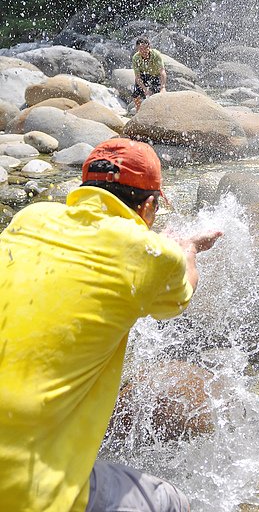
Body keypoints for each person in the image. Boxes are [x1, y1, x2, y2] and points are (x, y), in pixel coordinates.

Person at [0, 137, 222, 512]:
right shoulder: (156, 254)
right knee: (171, 502)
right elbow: (180, 296)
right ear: (149, 206)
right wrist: (187, 249)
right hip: (23, 492)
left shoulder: (29, 219)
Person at [132, 36, 167, 112]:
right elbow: (137, 77)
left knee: (158, 95)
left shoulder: (156, 55)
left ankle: (158, 112)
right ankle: (138, 113)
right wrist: (145, 89)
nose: (144, 51)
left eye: (145, 48)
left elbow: (162, 71)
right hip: (143, 75)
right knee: (136, 96)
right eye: (141, 49)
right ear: (137, 49)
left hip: (155, 75)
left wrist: (163, 87)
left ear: (149, 47)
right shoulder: (136, 58)